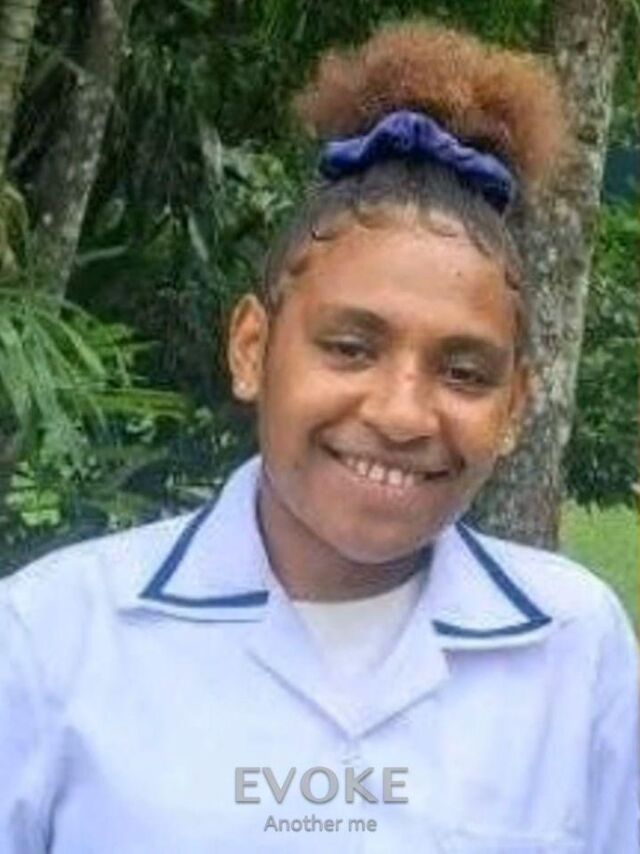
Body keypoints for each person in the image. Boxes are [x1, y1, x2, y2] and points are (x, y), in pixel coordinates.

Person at [1, 21, 638, 854]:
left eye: (464, 373)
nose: (403, 414)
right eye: (349, 348)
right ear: (251, 349)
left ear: (516, 404)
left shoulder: (573, 648)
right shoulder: (53, 638)